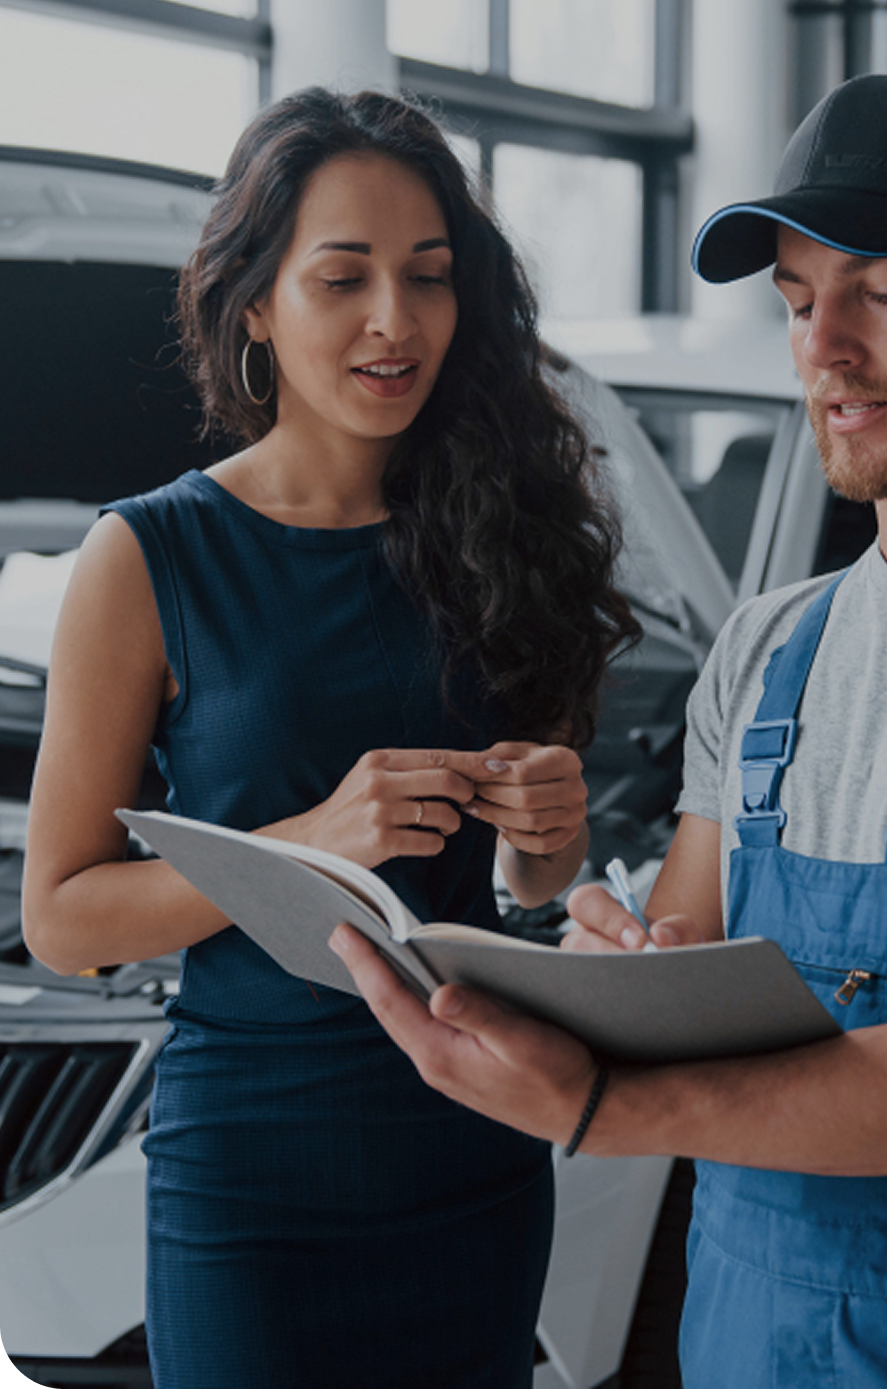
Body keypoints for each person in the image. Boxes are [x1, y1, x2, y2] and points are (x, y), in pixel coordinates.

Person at [331, 73, 887, 1388]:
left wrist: (605, 1102)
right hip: (744, 1339)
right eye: (800, 302)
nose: (824, 346)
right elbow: (692, 957)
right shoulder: (767, 644)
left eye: (885, 294)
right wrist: (616, 968)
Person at [21, 86, 639, 1389]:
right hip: (253, 1175)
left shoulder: (501, 533)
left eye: (429, 277)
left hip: (474, 1144)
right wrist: (299, 844)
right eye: (343, 277)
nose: (393, 321)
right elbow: (66, 918)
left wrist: (549, 839)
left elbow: (523, 890)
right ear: (254, 302)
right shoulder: (149, 556)